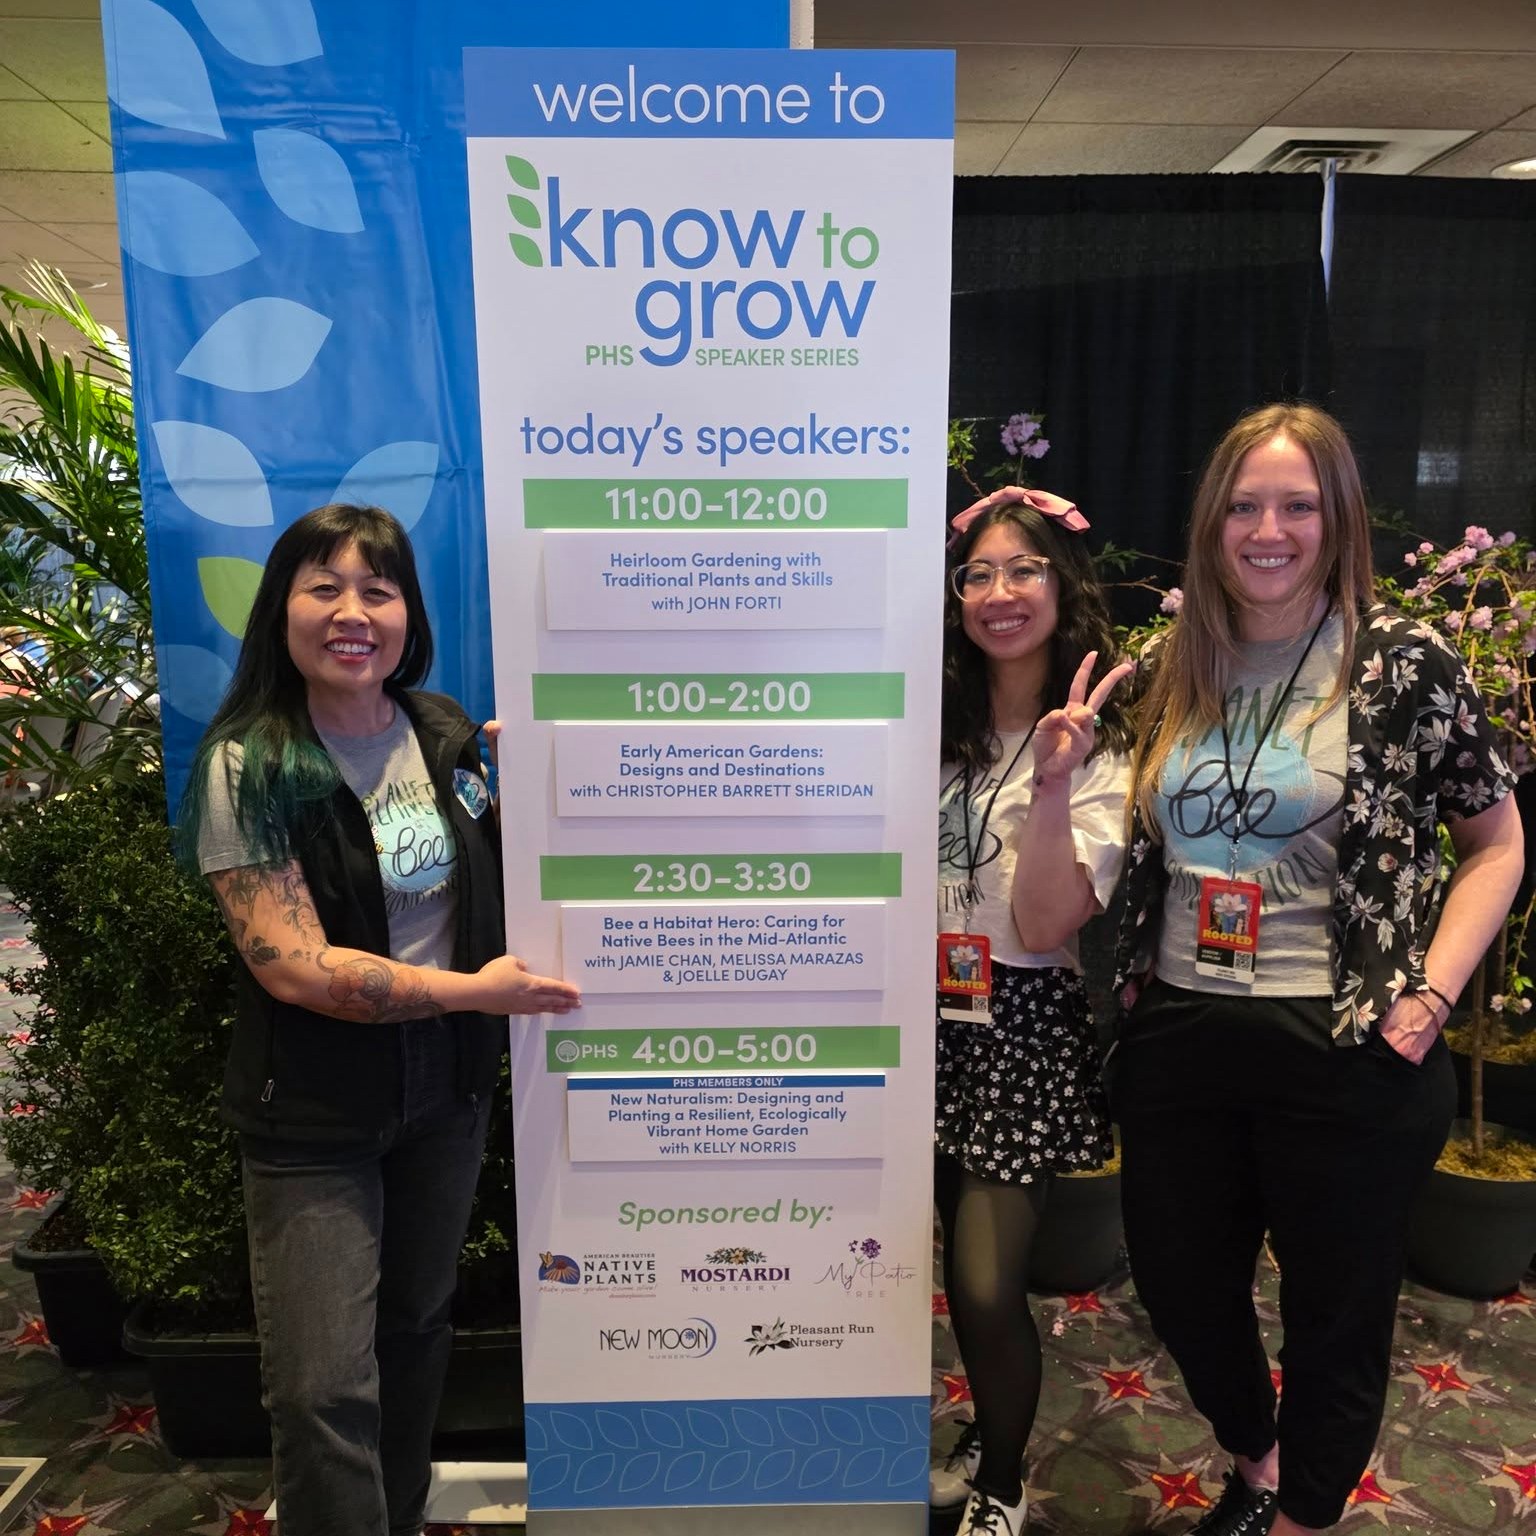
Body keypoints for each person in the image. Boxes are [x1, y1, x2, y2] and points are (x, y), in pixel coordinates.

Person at [1111, 404, 1524, 1536]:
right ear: (1212, 521)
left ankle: (1304, 1515)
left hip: (1346, 1042)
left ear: (1338, 519)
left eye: (1297, 505)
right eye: (1244, 505)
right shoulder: (1174, 663)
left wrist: (1433, 994)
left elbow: (1496, 843)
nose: (1269, 530)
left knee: (1337, 1319)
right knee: (1179, 1286)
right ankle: (1257, 1460)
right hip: (1183, 1033)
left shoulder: (1404, 663)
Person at [178, 504, 580, 1536]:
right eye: (324, 588)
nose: (352, 612)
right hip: (314, 1109)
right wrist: (476, 994)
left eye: (378, 589)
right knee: (321, 1386)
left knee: (414, 1333)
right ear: (280, 612)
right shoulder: (247, 764)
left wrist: (536, 788)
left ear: (408, 615)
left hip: (444, 1094)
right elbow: (294, 967)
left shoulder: (441, 732)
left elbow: (496, 869)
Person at [933, 485, 1135, 1536]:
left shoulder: (1101, 747)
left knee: (982, 1281)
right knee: (933, 1257)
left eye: (1024, 570)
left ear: (1063, 588)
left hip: (1019, 1026)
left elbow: (1048, 922)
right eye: (978, 573)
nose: (999, 593)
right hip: (918, 1012)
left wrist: (1055, 783)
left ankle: (1003, 1482)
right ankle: (986, 1426)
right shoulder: (936, 723)